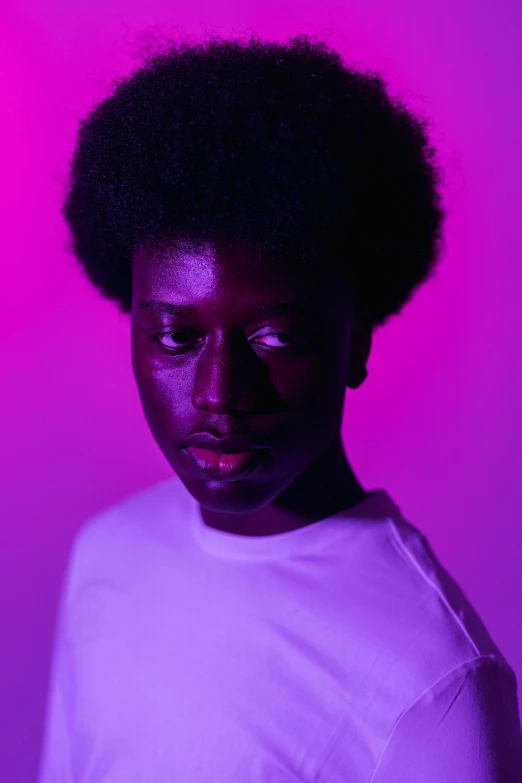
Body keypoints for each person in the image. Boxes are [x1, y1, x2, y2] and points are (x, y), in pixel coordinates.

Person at [38, 29, 522, 782]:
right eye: (176, 335)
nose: (219, 393)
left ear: (355, 341)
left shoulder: (436, 681)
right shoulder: (107, 554)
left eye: (277, 336)